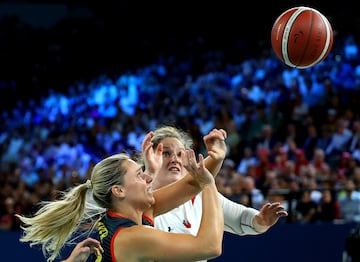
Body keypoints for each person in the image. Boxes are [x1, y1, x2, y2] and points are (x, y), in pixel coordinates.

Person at [15, 131, 224, 262]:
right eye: (139, 176)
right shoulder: (133, 238)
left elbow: (191, 183)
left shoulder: (132, 214)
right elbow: (209, 246)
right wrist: (209, 183)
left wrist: (216, 158)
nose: (149, 179)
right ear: (119, 190)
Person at [147, 125, 288, 261]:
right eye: (166, 153)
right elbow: (210, 248)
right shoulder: (141, 201)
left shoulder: (201, 197)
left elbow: (241, 219)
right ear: (149, 158)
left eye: (180, 154)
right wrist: (215, 160)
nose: (175, 159)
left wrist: (260, 221)